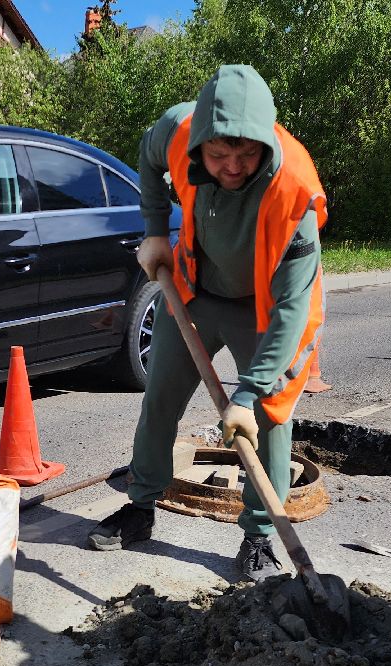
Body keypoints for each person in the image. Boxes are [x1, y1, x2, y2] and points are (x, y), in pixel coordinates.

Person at [87, 64, 327, 583]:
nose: (234, 167)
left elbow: (291, 309)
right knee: (161, 401)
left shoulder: (295, 196)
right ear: (198, 144)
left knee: (269, 418)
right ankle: (140, 508)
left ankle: (260, 535)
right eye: (219, 155)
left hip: (262, 308)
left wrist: (249, 392)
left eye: (247, 154)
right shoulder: (177, 129)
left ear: (266, 141)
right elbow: (149, 163)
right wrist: (154, 229)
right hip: (195, 293)